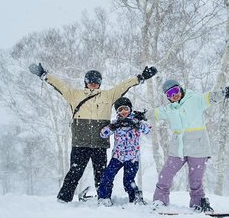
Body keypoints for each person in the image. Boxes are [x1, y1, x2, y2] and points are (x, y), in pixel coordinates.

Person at [28, 63, 157, 203]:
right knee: (75, 172)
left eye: (97, 82)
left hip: (99, 143)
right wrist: (44, 75)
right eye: (91, 81)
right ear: (86, 82)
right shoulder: (74, 95)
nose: (94, 84)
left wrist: (140, 77)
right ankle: (63, 200)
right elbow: (60, 85)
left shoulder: (107, 96)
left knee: (101, 174)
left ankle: (103, 198)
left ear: (100, 83)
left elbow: (123, 86)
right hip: (80, 143)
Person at [152, 79, 229, 213]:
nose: (174, 95)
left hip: (198, 148)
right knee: (165, 175)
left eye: (176, 91)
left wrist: (227, 91)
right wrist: (140, 115)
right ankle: (159, 201)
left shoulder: (195, 100)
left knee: (195, 180)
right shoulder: (168, 109)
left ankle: (197, 202)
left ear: (181, 89)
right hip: (178, 149)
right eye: (170, 93)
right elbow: (154, 113)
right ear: (167, 97)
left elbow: (211, 97)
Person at [97, 97, 151, 207]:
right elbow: (103, 134)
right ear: (117, 112)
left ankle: (135, 198)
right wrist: (112, 127)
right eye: (120, 110)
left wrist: (137, 124)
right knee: (107, 176)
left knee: (128, 180)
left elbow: (148, 130)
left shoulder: (136, 121)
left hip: (132, 158)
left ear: (130, 109)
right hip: (117, 157)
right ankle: (104, 197)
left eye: (125, 109)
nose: (123, 112)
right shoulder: (116, 123)